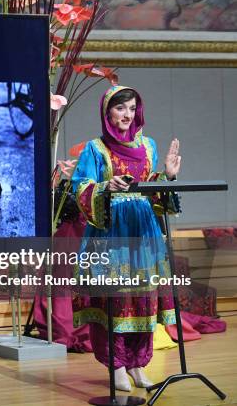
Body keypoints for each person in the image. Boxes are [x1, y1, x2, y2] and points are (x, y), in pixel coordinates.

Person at [71, 85, 181, 391]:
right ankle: (116, 365)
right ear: (107, 112)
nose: (126, 114)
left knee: (143, 296)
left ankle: (136, 363)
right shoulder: (95, 149)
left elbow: (152, 191)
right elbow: (80, 188)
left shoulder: (148, 146)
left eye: (132, 108)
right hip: (111, 230)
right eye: (120, 108)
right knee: (116, 297)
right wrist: (107, 187)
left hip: (143, 229)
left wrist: (168, 177)